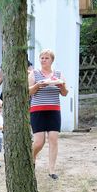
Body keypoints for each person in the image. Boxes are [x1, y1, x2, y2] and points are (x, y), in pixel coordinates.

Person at [29, 49, 68, 180]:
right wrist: (37, 86)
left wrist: (61, 86)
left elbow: (64, 93)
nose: (43, 60)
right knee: (39, 142)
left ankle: (52, 170)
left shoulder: (58, 74)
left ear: (52, 60)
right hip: (37, 110)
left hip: (54, 110)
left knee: (53, 140)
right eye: (42, 58)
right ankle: (32, 157)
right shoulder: (34, 73)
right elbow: (28, 92)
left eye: (46, 58)